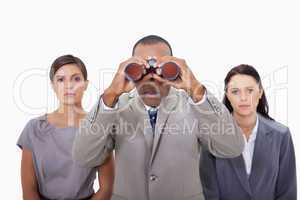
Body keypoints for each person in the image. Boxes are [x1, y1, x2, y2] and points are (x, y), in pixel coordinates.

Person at [72, 35, 244, 200]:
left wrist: (196, 89)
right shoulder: (115, 107)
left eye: (161, 69)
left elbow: (232, 147)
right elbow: (84, 156)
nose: (152, 77)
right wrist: (110, 94)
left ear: (175, 68)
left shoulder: (193, 105)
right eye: (142, 68)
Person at [17, 55, 115, 200]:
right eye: (61, 79)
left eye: (76, 79)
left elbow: (107, 187)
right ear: (53, 85)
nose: (69, 85)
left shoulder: (99, 128)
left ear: (86, 84)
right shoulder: (34, 128)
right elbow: (29, 189)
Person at [200, 64, 297, 200]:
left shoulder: (281, 135)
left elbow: (287, 192)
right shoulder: (212, 134)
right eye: (235, 91)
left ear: (260, 92)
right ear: (227, 94)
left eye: (250, 90)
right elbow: (209, 191)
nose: (243, 98)